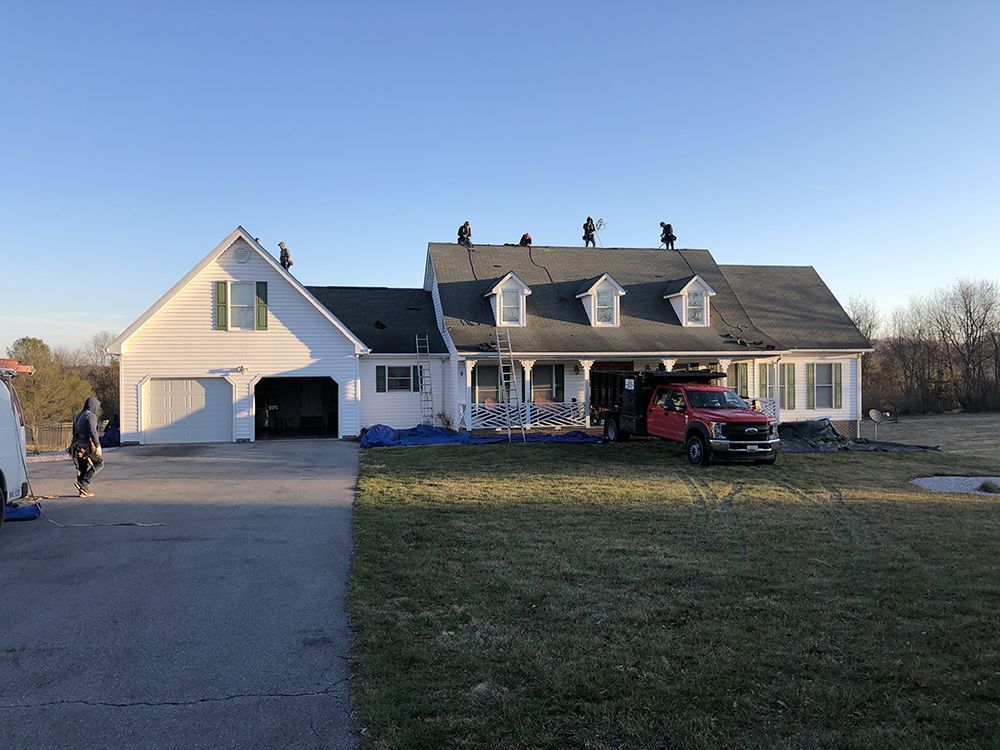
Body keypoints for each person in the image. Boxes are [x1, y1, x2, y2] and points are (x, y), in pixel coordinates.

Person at [71, 397, 103, 498]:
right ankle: (84, 483)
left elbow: (74, 432)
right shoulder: (90, 416)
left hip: (77, 445)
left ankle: (82, 491)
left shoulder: (77, 415)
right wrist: (97, 445)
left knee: (82, 467)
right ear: (93, 406)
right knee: (99, 463)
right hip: (86, 445)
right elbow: (93, 431)